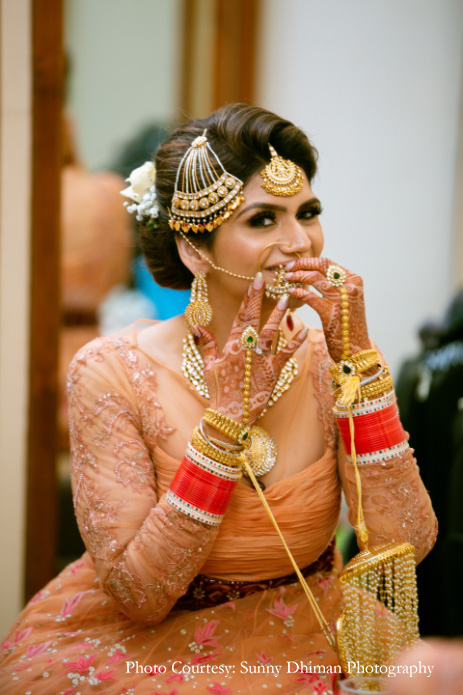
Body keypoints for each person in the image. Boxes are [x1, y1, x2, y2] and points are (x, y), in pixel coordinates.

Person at [0, 104, 437, 694]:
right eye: (262, 220)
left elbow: (407, 543)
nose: (299, 242)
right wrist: (226, 424)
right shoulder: (110, 373)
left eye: (307, 213)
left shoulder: (330, 356)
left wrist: (360, 369)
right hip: (152, 652)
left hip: (310, 626)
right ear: (192, 250)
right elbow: (141, 596)